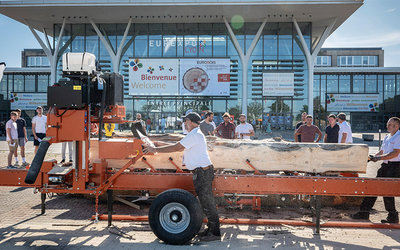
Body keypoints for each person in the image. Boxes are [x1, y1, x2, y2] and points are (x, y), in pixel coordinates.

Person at [144, 112, 221, 241]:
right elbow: (180, 146)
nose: (184, 124)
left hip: (203, 172)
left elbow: (177, 147)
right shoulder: (193, 134)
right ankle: (210, 230)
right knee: (204, 202)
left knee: (207, 202)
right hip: (201, 172)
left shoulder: (195, 134)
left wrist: (155, 150)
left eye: (185, 121)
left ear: (189, 121)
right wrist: (159, 143)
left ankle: (215, 233)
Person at [351, 117, 400, 223]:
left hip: (395, 167)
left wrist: (379, 158)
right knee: (374, 188)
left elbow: (395, 153)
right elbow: (382, 151)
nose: (387, 126)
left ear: (397, 126)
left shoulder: (398, 137)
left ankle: (392, 215)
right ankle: (365, 212)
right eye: (387, 124)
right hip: (385, 166)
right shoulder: (387, 137)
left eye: (390, 125)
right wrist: (372, 157)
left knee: (387, 191)